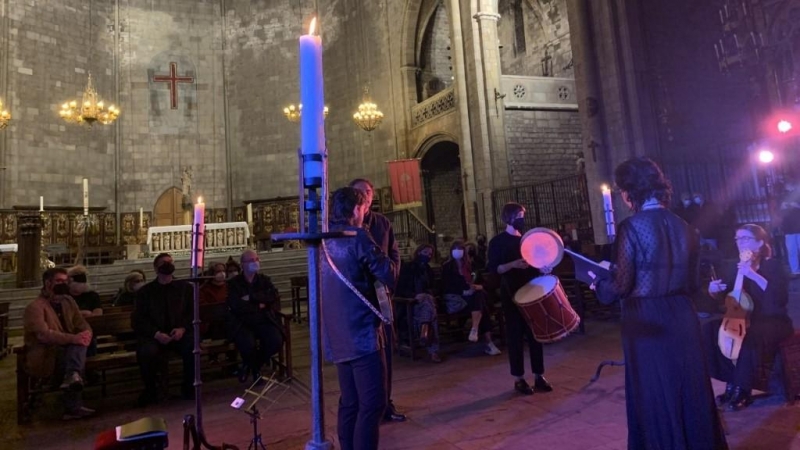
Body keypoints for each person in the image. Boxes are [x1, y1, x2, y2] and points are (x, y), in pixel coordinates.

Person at [590, 157, 727, 449]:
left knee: (654, 390)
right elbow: (691, 285)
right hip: (681, 315)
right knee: (688, 388)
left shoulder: (632, 227)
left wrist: (598, 283)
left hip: (646, 320)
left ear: (629, 193)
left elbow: (621, 285)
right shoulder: (688, 228)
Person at [321, 187, 397, 450]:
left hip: (336, 333)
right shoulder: (358, 235)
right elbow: (389, 274)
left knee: (350, 402)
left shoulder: (325, 238)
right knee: (374, 402)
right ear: (356, 209)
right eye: (364, 208)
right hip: (362, 333)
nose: (365, 213)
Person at [705, 224, 795, 411]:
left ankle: (742, 388)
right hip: (743, 319)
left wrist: (752, 275)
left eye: (745, 238)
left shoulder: (773, 265)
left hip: (773, 320)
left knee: (749, 336)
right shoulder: (734, 267)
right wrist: (714, 291)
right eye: (738, 239)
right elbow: (731, 299)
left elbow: (779, 299)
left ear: (760, 242)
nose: (740, 243)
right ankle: (731, 380)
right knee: (709, 331)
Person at [349, 178, 405, 422]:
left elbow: (394, 253)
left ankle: (386, 402)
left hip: (382, 293)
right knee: (367, 354)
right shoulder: (348, 225)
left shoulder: (382, 222)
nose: (367, 195)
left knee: (387, 352)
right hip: (359, 297)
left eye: (370, 191)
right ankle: (367, 404)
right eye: (361, 192)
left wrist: (390, 276)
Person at [488, 202, 552, 396]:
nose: (522, 219)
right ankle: (518, 378)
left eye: (523, 215)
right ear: (509, 217)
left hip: (532, 289)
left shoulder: (527, 240)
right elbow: (495, 269)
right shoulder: (497, 242)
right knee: (515, 335)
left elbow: (536, 262)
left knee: (535, 334)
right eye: (519, 215)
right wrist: (513, 264)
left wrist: (544, 267)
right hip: (511, 291)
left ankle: (539, 375)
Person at [23, 268, 95, 420]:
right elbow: (44, 335)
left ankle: (72, 377)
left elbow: (80, 323)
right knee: (73, 349)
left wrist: (86, 334)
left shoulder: (68, 301)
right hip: (48, 352)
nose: (63, 284)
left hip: (68, 348)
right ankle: (73, 399)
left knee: (76, 347)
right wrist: (73, 338)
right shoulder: (35, 307)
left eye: (65, 281)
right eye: (59, 281)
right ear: (48, 283)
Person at [132, 253, 194, 406]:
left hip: (178, 334)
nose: (167, 265)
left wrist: (182, 328)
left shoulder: (185, 288)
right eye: (163, 263)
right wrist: (156, 334)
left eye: (170, 262)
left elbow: (191, 312)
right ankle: (151, 390)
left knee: (192, 347)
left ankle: (189, 387)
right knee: (147, 352)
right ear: (155, 268)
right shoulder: (145, 292)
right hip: (155, 336)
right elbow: (138, 320)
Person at [227, 249, 284, 383]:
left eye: (257, 259)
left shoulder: (264, 280)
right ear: (243, 264)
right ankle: (256, 372)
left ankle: (251, 366)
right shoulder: (234, 283)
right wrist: (259, 304)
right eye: (251, 261)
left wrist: (252, 297)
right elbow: (237, 305)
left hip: (263, 319)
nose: (255, 263)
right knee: (247, 344)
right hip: (243, 322)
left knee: (275, 340)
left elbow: (272, 296)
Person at [441, 240, 501, 356]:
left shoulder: (470, 266)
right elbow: (447, 286)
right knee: (482, 306)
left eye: (460, 249)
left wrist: (478, 286)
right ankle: (488, 342)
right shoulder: (448, 267)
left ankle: (476, 330)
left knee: (479, 297)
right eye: (456, 249)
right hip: (458, 299)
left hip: (473, 299)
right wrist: (463, 291)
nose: (458, 251)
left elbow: (482, 282)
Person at [395, 244, 442, 363]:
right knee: (431, 313)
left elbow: (434, 288)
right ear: (419, 252)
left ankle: (425, 331)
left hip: (426, 304)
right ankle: (433, 351)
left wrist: (428, 294)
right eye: (425, 252)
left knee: (428, 303)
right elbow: (400, 289)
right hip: (411, 304)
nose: (428, 255)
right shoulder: (408, 268)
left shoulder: (428, 270)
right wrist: (415, 296)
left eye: (430, 254)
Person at [780, 182, 800, 276]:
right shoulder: (782, 196)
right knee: (792, 250)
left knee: (793, 250)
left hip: (796, 227)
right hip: (789, 228)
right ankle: (795, 270)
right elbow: (779, 209)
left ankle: (795, 269)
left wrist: (795, 205)